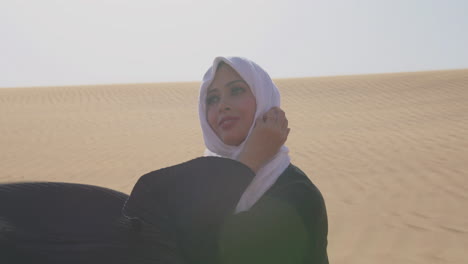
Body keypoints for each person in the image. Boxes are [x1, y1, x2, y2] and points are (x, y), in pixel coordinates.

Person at [198, 56, 329, 263]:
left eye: (237, 90)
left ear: (264, 99)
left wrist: (250, 160)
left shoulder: (297, 194)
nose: (222, 105)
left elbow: (208, 248)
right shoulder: (202, 180)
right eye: (212, 98)